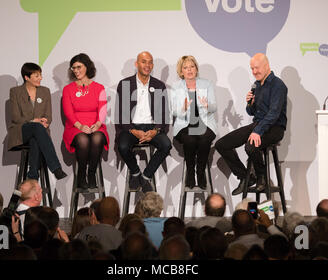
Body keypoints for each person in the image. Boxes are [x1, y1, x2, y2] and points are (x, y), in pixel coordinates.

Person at [215, 53, 287, 195]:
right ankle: (245, 176)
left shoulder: (278, 85)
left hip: (275, 128)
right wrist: (250, 103)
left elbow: (273, 114)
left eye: (257, 68)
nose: (254, 72)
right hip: (258, 125)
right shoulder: (257, 85)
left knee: (251, 146)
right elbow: (252, 112)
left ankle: (262, 178)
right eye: (252, 69)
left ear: (266, 66)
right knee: (221, 144)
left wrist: (258, 131)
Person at [115, 51, 171, 193]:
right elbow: (121, 113)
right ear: (136, 64)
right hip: (131, 128)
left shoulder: (159, 85)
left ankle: (145, 176)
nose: (147, 65)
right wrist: (134, 131)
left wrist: (155, 131)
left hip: (152, 127)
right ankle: (135, 173)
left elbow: (164, 113)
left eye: (150, 62)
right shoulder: (125, 84)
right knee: (122, 146)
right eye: (144, 61)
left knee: (166, 145)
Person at [7, 62, 67, 181]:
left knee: (36, 138)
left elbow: (48, 116)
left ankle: (32, 175)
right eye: (36, 76)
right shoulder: (15, 91)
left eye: (40, 75)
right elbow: (15, 117)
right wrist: (32, 121)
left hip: (39, 132)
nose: (41, 78)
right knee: (36, 127)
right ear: (27, 77)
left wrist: (46, 122)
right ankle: (56, 168)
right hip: (21, 130)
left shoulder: (45, 91)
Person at [62, 54, 109, 189]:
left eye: (79, 67)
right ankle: (81, 174)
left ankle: (92, 173)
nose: (76, 71)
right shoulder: (68, 89)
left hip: (96, 124)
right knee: (83, 140)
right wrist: (80, 126)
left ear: (87, 67)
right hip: (75, 126)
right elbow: (68, 112)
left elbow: (102, 108)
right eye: (73, 68)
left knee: (98, 138)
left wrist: (98, 124)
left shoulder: (99, 88)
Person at [171, 55, 217, 188]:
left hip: (205, 123)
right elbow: (174, 111)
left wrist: (207, 104)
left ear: (196, 69)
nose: (189, 70)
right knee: (190, 140)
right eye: (185, 67)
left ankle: (200, 172)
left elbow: (214, 107)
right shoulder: (176, 87)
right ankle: (190, 173)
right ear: (181, 71)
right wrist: (183, 108)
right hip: (184, 125)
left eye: (192, 66)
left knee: (204, 138)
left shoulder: (206, 84)